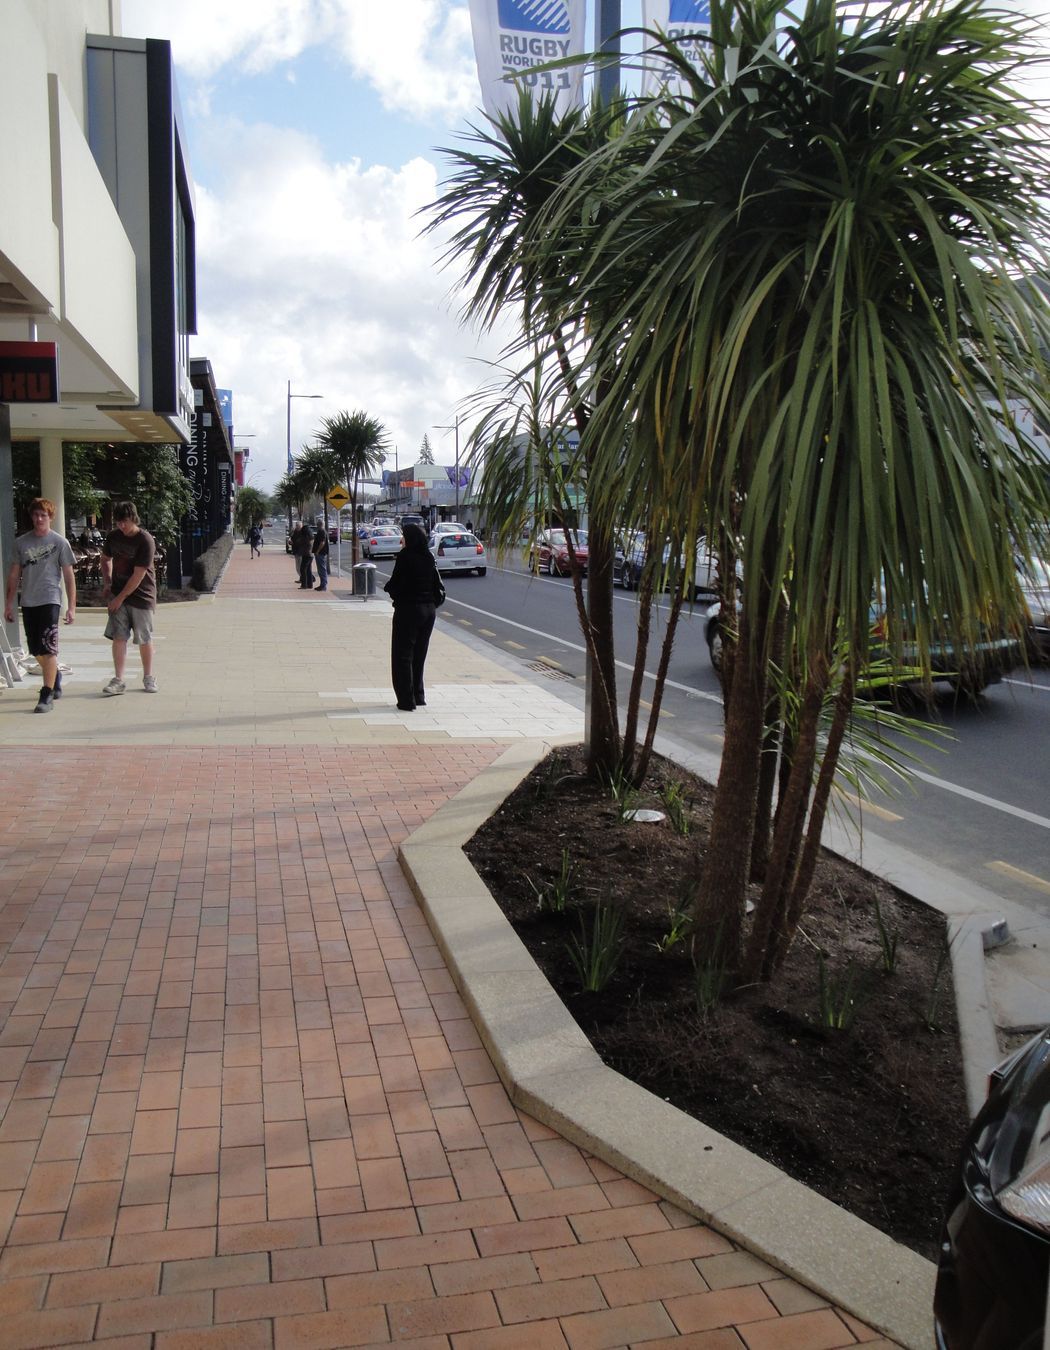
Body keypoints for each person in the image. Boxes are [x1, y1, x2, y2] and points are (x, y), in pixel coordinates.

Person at [4, 497, 76, 713]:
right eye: (35, 515)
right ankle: (55, 675)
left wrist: (71, 606)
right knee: (35, 648)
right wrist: (9, 603)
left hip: (50, 600)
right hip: (28, 600)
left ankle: (46, 694)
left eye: (43, 515)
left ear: (50, 517)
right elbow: (14, 574)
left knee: (49, 647)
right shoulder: (21, 543)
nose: (39, 519)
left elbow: (69, 576)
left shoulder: (60, 543)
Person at [383, 523, 444, 710]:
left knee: (403, 656)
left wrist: (390, 590)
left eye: (404, 536)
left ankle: (406, 700)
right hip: (428, 611)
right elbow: (435, 584)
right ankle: (419, 695)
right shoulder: (428, 556)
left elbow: (396, 583)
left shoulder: (405, 557)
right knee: (419, 654)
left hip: (408, 610)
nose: (402, 540)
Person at [100, 501, 158, 695]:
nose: (121, 526)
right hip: (118, 592)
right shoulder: (113, 537)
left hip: (142, 596)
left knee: (144, 638)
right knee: (119, 636)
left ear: (133, 518)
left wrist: (120, 598)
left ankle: (149, 676)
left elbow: (139, 574)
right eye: (118, 522)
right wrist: (108, 582)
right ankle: (118, 680)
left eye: (124, 521)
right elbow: (105, 558)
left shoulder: (145, 540)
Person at [293, 524, 314, 589]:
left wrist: (293, 542)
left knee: (303, 569)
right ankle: (310, 584)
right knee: (308, 570)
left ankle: (304, 585)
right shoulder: (311, 537)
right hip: (311, 555)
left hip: (306, 555)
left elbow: (297, 542)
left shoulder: (304, 537)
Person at [312, 522, 330, 591]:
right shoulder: (321, 531)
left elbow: (322, 542)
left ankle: (323, 585)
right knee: (320, 569)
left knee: (322, 569)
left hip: (321, 553)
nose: (317, 526)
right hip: (320, 553)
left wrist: (317, 551)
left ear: (319, 525)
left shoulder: (322, 531)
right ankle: (322, 584)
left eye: (317, 524)